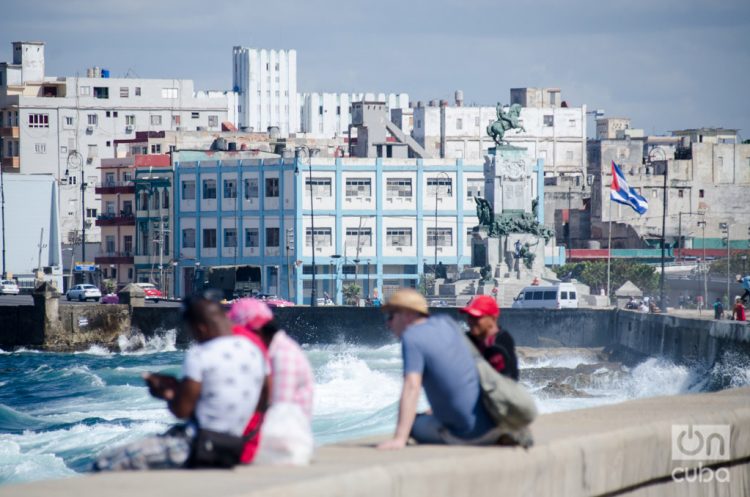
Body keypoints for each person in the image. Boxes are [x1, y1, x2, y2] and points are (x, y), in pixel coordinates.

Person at [93, 292, 266, 471]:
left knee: (105, 463)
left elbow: (181, 411)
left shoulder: (201, 354)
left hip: (199, 445)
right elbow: (263, 398)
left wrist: (164, 393)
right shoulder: (253, 350)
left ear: (201, 328)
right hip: (236, 445)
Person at [377, 289, 496, 449]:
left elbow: (412, 386)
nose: (388, 323)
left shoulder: (412, 337)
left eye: (390, 316)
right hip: (491, 423)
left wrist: (399, 438)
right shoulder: (447, 323)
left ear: (407, 315)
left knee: (414, 423)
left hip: (468, 434)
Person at [229, 298, 315, 465]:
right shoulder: (268, 352)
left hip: (285, 442)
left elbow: (280, 409)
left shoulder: (283, 355)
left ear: (255, 330)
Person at [460, 295, 519, 381]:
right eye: (469, 316)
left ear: (492, 319)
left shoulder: (500, 342)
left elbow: (506, 381)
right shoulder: (469, 338)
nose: (470, 321)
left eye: (476, 317)